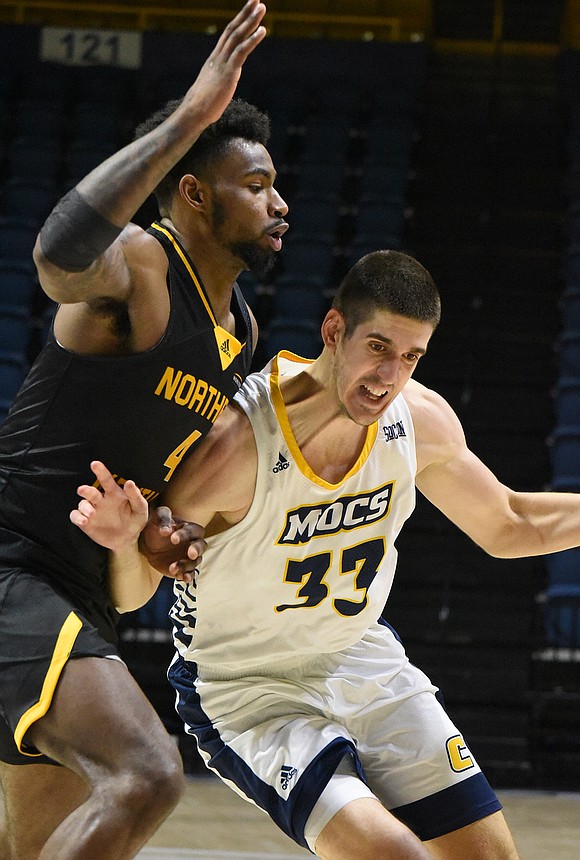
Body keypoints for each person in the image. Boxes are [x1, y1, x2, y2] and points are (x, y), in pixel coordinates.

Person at [73, 249, 580, 859]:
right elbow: (136, 590)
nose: (390, 375)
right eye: (378, 347)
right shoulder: (238, 443)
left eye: (411, 356)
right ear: (333, 330)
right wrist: (123, 543)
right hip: (249, 691)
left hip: (361, 658)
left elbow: (510, 523)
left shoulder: (418, 420)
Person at [0, 2, 288, 857]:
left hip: (84, 595)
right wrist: (193, 116)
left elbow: (158, 480)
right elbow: (58, 255)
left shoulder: (238, 328)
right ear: (195, 191)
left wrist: (166, 533)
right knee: (149, 774)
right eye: (258, 183)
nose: (280, 200)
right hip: (14, 573)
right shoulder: (144, 265)